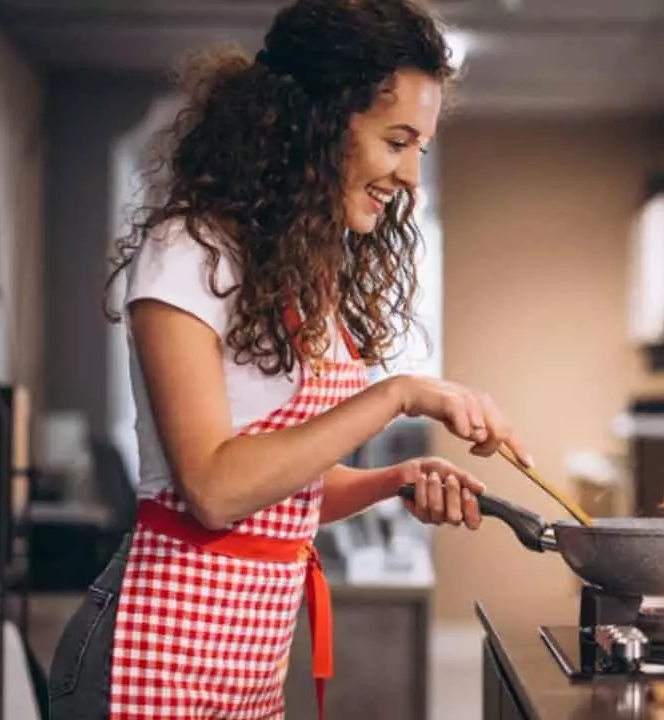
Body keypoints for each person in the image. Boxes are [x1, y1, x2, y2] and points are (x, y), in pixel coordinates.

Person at [46, 1, 529, 717]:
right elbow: (213, 487)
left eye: (420, 148)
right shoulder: (191, 253)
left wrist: (393, 480)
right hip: (151, 657)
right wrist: (397, 394)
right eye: (396, 141)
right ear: (318, 121)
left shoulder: (300, 270)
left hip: (245, 669)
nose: (411, 178)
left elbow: (280, 487)